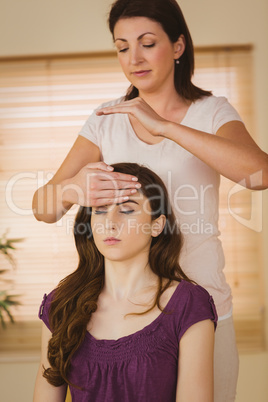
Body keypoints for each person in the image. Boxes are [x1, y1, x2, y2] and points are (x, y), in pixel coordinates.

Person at [32, 0, 268, 400]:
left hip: (201, 310)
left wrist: (165, 127)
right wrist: (75, 188)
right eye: (122, 47)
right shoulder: (106, 119)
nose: (134, 58)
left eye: (147, 43)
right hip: (126, 315)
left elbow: (259, 173)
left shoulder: (211, 112)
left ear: (177, 46)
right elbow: (43, 206)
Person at [33, 163, 217, 402]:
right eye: (100, 210)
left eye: (127, 210)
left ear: (156, 225)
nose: (110, 222)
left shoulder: (188, 305)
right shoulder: (62, 304)